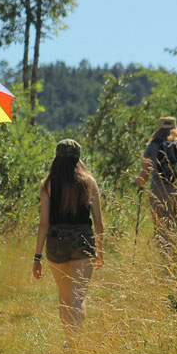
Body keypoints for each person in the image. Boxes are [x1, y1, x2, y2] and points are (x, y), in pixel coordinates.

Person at [32, 139, 104, 341]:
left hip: (57, 242)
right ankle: (76, 342)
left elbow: (44, 223)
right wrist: (100, 250)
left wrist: (37, 256)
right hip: (83, 240)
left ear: (57, 157)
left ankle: (70, 341)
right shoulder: (89, 182)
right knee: (78, 297)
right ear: (78, 158)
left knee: (64, 297)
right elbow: (98, 223)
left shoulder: (47, 184)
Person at [136, 116, 177, 254]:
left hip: (159, 193)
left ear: (159, 128)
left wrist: (139, 185)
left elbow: (144, 173)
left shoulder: (152, 146)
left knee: (162, 229)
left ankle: (166, 264)